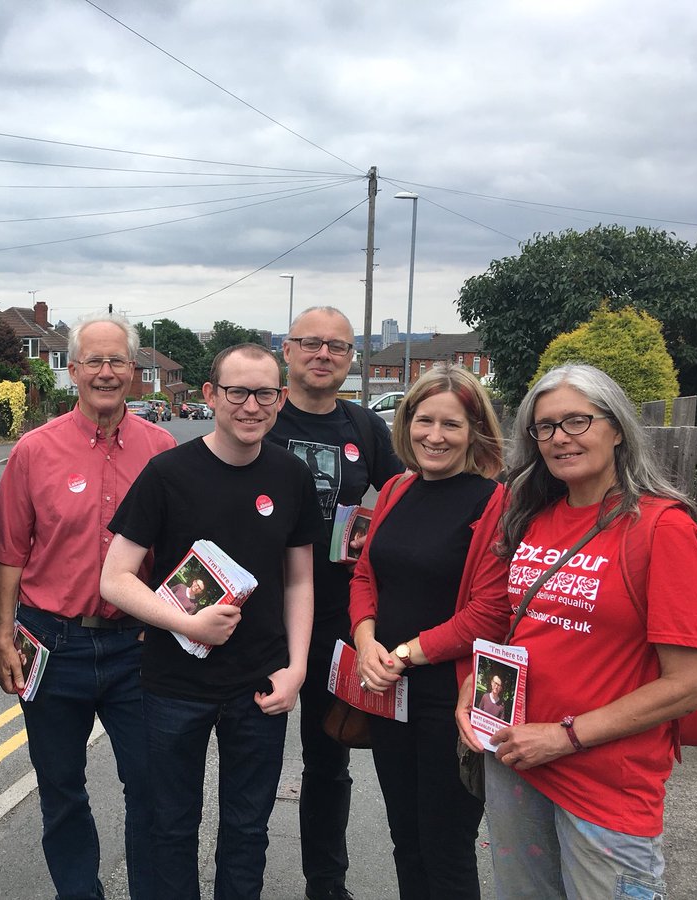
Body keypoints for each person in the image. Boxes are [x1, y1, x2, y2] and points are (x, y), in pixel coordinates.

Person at [456, 363, 697, 899]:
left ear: (616, 428)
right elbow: (520, 631)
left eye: (577, 421)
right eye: (544, 427)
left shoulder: (664, 527)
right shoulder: (533, 516)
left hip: (603, 782)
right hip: (515, 757)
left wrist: (563, 736)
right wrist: (471, 694)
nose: (559, 438)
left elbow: (689, 683)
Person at [101, 342, 325, 900]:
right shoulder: (167, 474)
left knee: (247, 832)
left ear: (281, 398)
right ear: (210, 395)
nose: (251, 406)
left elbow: (299, 579)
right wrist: (187, 625)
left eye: (265, 393)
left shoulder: (291, 476)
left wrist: (297, 667)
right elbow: (116, 578)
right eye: (237, 392)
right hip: (174, 687)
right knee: (171, 828)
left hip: (259, 686)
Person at [0, 312, 175, 899]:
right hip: (51, 643)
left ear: (134, 370)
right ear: (72, 371)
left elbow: (177, 553)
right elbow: (9, 554)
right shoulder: (33, 451)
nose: (106, 372)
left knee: (151, 788)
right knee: (61, 788)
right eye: (93, 360)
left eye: (117, 360)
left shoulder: (162, 449)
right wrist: (2, 636)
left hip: (136, 647)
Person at [348, 363, 510, 899]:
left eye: (451, 425)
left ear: (475, 433)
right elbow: (367, 573)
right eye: (424, 421)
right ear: (406, 423)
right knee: (406, 840)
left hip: (454, 699)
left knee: (447, 847)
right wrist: (366, 642)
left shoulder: (496, 503)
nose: (434, 436)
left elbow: (491, 611)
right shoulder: (395, 488)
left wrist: (403, 655)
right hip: (390, 694)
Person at [266, 306, 403, 900]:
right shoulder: (259, 416)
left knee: (328, 760)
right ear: (288, 351)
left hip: (336, 621)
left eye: (338, 347)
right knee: (252, 760)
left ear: (351, 359)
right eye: (311, 343)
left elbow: (406, 498)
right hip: (256, 619)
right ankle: (236, 879)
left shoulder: (365, 428)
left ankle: (327, 885)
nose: (324, 355)